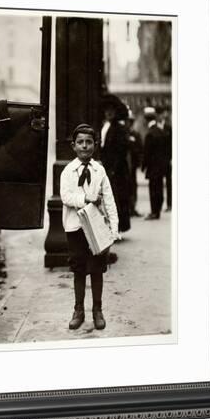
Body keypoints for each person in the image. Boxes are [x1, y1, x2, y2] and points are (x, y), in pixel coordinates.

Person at [60, 124, 119, 330]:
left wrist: (114, 228)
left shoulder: (99, 170)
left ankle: (98, 309)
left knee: (96, 269)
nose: (84, 146)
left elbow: (109, 199)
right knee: (78, 269)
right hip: (75, 227)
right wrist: (86, 198)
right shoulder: (68, 171)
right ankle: (78, 309)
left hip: (95, 227)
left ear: (95, 145)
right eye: (80, 142)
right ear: (73, 146)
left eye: (89, 142)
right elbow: (66, 197)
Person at [99, 95, 131, 234]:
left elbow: (121, 151)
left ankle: (116, 229)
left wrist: (113, 168)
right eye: (107, 110)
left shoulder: (119, 128)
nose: (109, 112)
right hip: (107, 167)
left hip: (117, 169)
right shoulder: (103, 126)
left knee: (116, 199)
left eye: (112, 110)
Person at [142, 106, 168, 219]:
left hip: (153, 167)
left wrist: (144, 166)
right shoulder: (161, 132)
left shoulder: (150, 134)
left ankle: (154, 212)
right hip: (161, 165)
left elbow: (147, 153)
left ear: (146, 120)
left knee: (153, 189)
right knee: (159, 188)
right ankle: (158, 211)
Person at [126, 110, 143, 217]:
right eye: (128, 122)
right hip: (125, 166)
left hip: (132, 166)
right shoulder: (123, 133)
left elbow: (140, 149)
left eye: (131, 122)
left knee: (133, 186)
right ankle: (128, 208)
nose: (129, 124)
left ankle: (133, 207)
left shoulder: (135, 135)